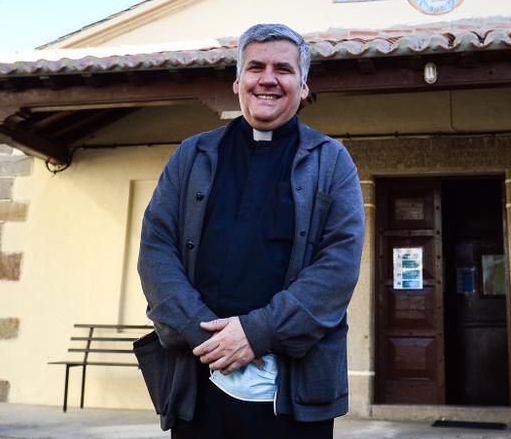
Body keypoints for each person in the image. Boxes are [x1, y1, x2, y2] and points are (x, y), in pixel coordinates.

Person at [137, 23, 365, 437]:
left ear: (304, 85)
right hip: (199, 377)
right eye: (255, 66)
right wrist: (206, 336)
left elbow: (339, 266)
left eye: (284, 68)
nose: (268, 79)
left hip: (294, 394)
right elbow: (156, 248)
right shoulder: (193, 156)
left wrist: (257, 332)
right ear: (237, 81)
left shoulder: (332, 162)